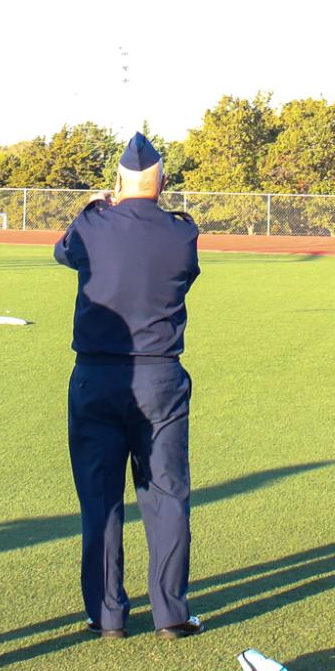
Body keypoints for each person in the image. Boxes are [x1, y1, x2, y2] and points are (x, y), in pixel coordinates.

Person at [53, 133, 202, 640]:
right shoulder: (182, 233)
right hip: (159, 374)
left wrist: (104, 207)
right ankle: (171, 613)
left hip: (96, 375)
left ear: (118, 181)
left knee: (100, 499)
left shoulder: (93, 223)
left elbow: (63, 253)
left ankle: (107, 614)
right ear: (162, 183)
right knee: (166, 494)